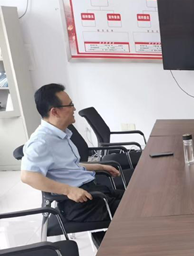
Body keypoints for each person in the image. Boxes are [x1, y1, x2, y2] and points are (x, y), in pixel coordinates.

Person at [21, 83, 122, 222]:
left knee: (140, 198)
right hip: (80, 204)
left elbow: (68, 167)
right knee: (141, 208)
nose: (74, 108)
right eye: (70, 105)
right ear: (55, 112)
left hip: (92, 191)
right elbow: (28, 176)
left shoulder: (61, 134)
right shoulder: (41, 141)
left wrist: (100, 166)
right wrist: (68, 190)